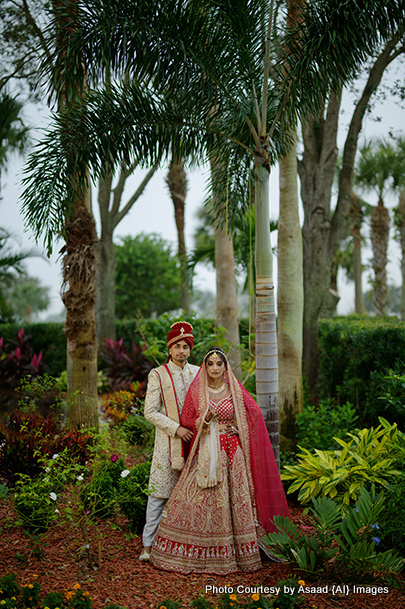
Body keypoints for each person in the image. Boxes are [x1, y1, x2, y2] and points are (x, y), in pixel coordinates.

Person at [150, 347, 290, 575]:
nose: (214, 368)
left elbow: (253, 412)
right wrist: (204, 421)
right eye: (210, 364)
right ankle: (193, 550)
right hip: (206, 451)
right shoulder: (198, 391)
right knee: (200, 498)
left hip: (232, 452)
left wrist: (238, 426)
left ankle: (237, 553)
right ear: (205, 367)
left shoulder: (233, 389)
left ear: (226, 368)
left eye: (219, 364)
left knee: (234, 499)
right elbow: (190, 420)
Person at [139, 321, 200, 562]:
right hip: (168, 443)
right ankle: (148, 546)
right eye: (177, 346)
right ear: (170, 349)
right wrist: (177, 429)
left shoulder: (198, 372)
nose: (182, 351)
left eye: (186, 346)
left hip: (196, 442)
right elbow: (150, 412)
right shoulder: (158, 374)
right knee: (159, 494)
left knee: (191, 494)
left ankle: (186, 545)